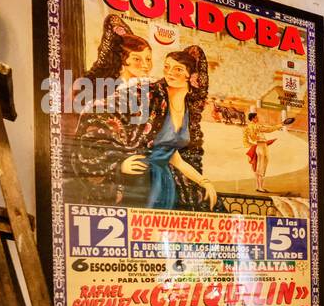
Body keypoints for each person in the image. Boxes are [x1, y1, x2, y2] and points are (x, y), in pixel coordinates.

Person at [67, 45, 219, 211]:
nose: (170, 73)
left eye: (178, 69)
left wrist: (204, 182)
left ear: (191, 76)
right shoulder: (149, 94)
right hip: (140, 179)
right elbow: (98, 110)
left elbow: (173, 157)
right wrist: (119, 163)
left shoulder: (187, 109)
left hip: (165, 183)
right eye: (167, 67)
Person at [242, 110, 292, 193]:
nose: (257, 118)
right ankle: (260, 188)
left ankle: (258, 186)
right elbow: (269, 129)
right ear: (253, 118)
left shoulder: (247, 128)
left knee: (258, 167)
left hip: (258, 146)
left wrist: (252, 145)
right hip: (262, 147)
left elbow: (245, 141)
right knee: (262, 167)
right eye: (256, 117)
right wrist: (281, 124)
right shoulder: (257, 126)